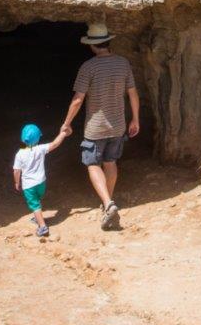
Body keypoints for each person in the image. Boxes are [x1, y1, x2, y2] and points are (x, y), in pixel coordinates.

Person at [60, 22, 139, 230]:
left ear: (93, 45)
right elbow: (133, 93)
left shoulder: (88, 67)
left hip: (95, 128)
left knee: (92, 164)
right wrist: (135, 119)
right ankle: (107, 203)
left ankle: (108, 203)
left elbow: (78, 99)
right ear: (108, 42)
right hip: (118, 125)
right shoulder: (123, 63)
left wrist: (66, 124)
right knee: (110, 162)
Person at [13, 123, 70, 237]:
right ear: (38, 138)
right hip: (41, 183)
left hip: (29, 186)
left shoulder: (20, 154)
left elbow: (16, 171)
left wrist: (17, 182)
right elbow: (55, 144)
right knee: (37, 201)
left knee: (34, 205)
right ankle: (37, 218)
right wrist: (63, 134)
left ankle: (43, 227)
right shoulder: (41, 149)